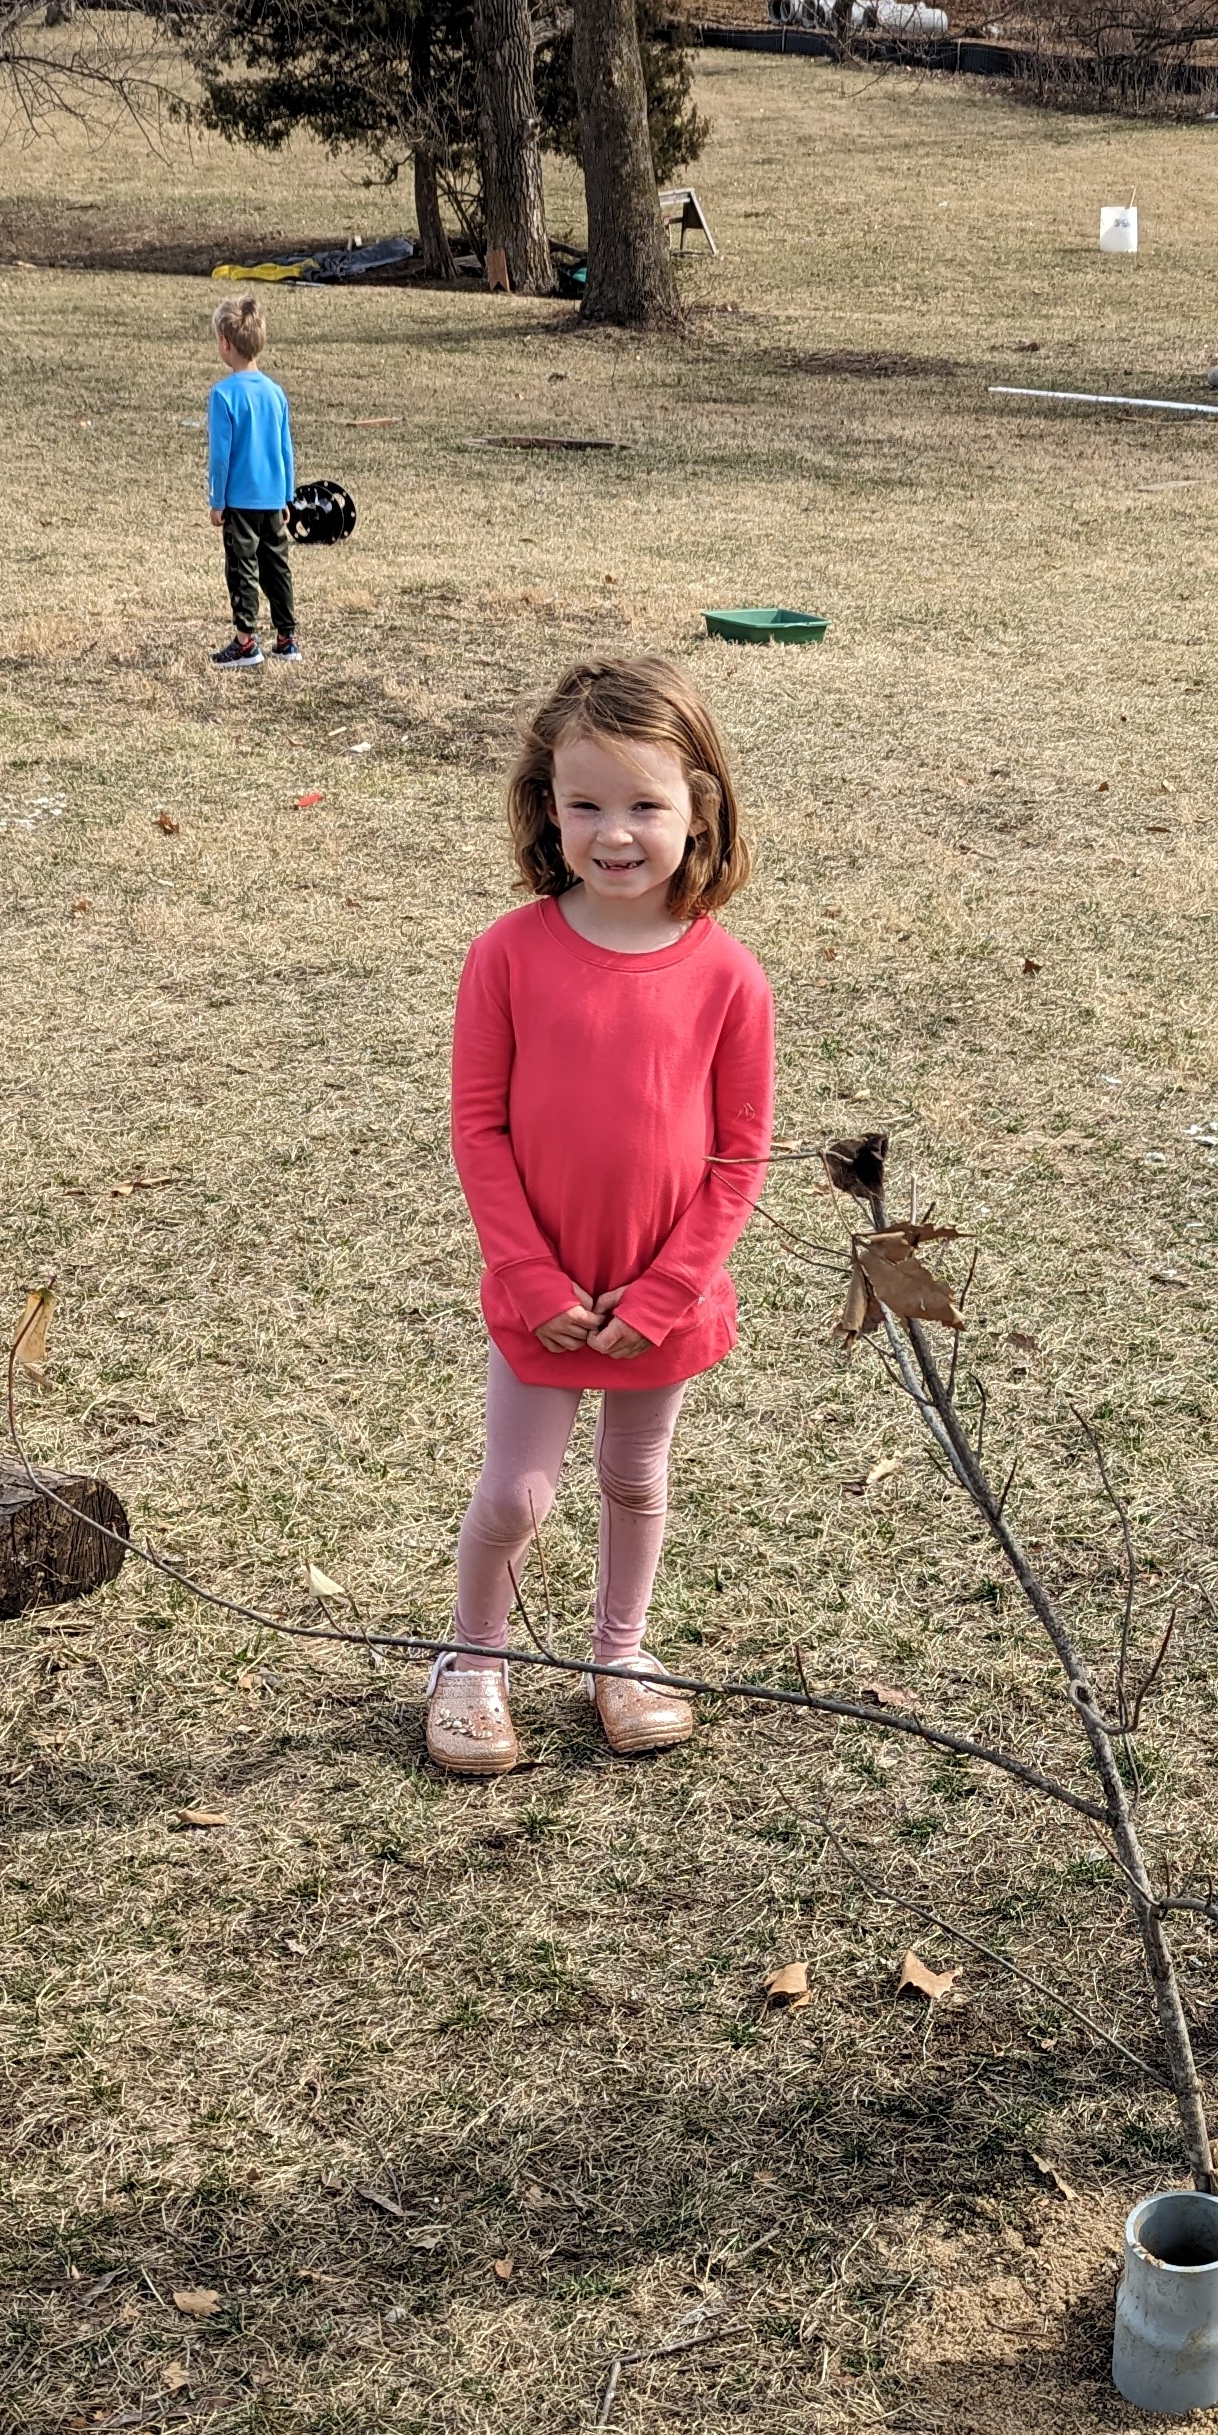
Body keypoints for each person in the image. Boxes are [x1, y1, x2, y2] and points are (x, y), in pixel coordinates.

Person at [425, 655, 774, 1777]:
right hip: (545, 1298)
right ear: (547, 809)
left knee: (636, 1479)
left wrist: (668, 1289)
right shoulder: (508, 954)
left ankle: (618, 1656)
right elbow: (479, 1131)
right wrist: (530, 1279)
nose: (614, 832)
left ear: (699, 810)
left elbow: (738, 1153)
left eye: (643, 805)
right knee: (518, 1494)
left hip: (657, 1301)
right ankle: (474, 1661)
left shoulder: (730, 977)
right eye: (585, 805)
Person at [205, 299, 298, 668]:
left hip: (240, 500)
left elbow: (220, 455)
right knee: (277, 565)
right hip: (274, 497)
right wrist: (288, 494)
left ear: (226, 342)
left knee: (242, 567)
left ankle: (246, 642)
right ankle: (287, 637)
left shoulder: (223, 395)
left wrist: (217, 500)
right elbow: (285, 447)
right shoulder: (275, 393)